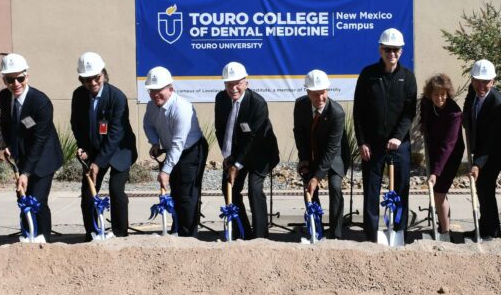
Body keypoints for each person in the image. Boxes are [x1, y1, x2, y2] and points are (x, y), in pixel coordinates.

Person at [353, 28, 417, 242]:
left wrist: (398, 137)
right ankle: (371, 235)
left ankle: (399, 232)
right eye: (388, 49)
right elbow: (358, 112)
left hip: (400, 146)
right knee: (371, 191)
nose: (392, 54)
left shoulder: (408, 78)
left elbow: (409, 112)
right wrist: (362, 141)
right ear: (380, 50)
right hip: (372, 145)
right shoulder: (368, 75)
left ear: (401, 51)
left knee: (400, 190)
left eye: (396, 50)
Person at [70, 52, 137, 238]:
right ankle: (92, 233)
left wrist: (98, 163)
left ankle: (119, 233)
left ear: (104, 74)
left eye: (96, 77)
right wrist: (82, 146)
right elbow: (76, 124)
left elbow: (115, 134)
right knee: (87, 193)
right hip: (94, 149)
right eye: (87, 79)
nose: (92, 83)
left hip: (120, 151)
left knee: (116, 190)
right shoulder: (78, 95)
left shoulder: (117, 97)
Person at [0, 53, 63, 243]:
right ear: (5, 80)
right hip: (23, 155)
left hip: (44, 157)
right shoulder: (4, 97)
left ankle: (43, 239)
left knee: (38, 200)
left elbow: (40, 140)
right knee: (23, 198)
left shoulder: (40, 102)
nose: (16, 84)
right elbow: (5, 124)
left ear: (27, 76)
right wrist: (9, 145)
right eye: (10, 80)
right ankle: (28, 236)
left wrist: (26, 172)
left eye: (20, 78)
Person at [214, 61, 280, 239]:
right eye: (229, 84)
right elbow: (220, 130)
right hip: (236, 152)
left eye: (237, 83)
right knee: (229, 187)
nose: (233, 88)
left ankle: (260, 237)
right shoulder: (221, 99)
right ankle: (242, 232)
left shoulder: (258, 103)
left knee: (254, 190)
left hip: (261, 153)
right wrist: (227, 156)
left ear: (246, 83)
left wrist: (237, 165)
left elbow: (254, 139)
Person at [142, 66, 208, 237]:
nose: (155, 94)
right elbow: (148, 124)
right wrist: (155, 142)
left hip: (191, 150)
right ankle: (177, 228)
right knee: (176, 193)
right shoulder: (151, 106)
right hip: (174, 150)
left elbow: (179, 143)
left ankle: (188, 236)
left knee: (187, 195)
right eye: (151, 91)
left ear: (170, 89)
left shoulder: (181, 108)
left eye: (159, 90)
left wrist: (165, 171)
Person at [293, 69, 347, 239]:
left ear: (327, 91)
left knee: (335, 187)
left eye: (322, 93)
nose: (320, 98)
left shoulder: (337, 113)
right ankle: (315, 228)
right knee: (309, 185)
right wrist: (304, 160)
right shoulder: (300, 105)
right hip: (312, 154)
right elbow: (299, 134)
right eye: (315, 94)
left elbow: (332, 148)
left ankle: (336, 233)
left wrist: (317, 177)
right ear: (307, 92)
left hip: (335, 156)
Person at [461, 59, 501, 239]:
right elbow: (468, 107)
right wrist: (465, 119)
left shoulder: (498, 104)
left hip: (494, 153)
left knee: (486, 190)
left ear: (493, 81)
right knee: (482, 190)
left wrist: (477, 164)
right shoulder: (472, 91)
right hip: (481, 149)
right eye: (477, 81)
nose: (481, 85)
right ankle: (484, 227)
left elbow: (491, 140)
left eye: (485, 82)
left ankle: (492, 231)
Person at [420, 73, 464, 239]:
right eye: (436, 94)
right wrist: (423, 125)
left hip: (450, 155)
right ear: (430, 94)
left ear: (448, 94)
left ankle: (445, 231)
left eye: (443, 94)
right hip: (434, 149)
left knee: (439, 192)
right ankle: (442, 223)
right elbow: (424, 116)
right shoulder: (426, 103)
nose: (439, 98)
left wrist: (435, 172)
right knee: (439, 193)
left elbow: (449, 145)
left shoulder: (454, 113)